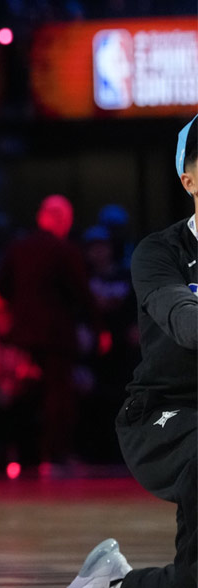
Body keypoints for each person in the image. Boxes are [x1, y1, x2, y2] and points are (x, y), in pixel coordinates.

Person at [69, 115, 198, 588]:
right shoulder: (159, 253)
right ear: (189, 179)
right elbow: (187, 324)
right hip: (160, 415)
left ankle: (112, 584)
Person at [0, 194, 96, 468]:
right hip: (56, 335)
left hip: (22, 335)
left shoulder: (18, 248)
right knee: (58, 396)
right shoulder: (64, 250)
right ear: (63, 220)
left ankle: (17, 454)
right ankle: (54, 455)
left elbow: (1, 287)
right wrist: (98, 327)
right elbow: (83, 294)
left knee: (22, 395)